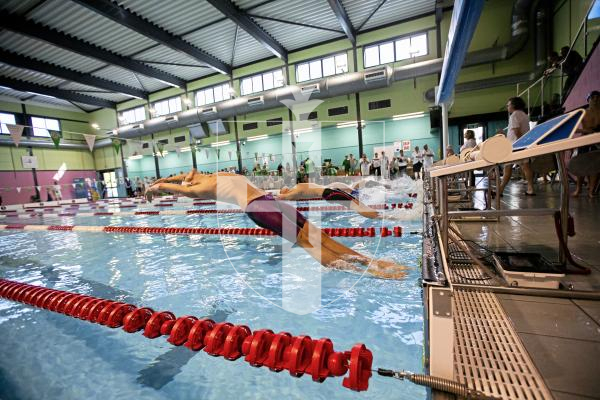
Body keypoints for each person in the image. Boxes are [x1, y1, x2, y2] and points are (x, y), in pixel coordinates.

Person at [146, 170, 406, 279]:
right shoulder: (204, 184)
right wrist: (158, 187)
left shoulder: (206, 177)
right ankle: (372, 270)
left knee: (320, 238)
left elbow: (183, 178)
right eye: (188, 177)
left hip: (268, 202)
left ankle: (374, 263)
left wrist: (166, 180)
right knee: (310, 243)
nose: (190, 175)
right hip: (262, 208)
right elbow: (181, 187)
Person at [498, 96, 535, 196]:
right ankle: (530, 188)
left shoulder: (514, 115)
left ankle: (500, 190)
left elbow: (516, 131)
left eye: (508, 104)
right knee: (526, 166)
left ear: (513, 105)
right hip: (521, 144)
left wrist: (519, 143)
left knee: (507, 168)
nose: (507, 106)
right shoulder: (524, 115)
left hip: (515, 145)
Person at [278, 182, 380, 219]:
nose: (285, 187)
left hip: (331, 191)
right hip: (329, 193)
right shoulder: (295, 191)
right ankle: (381, 217)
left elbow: (281, 197)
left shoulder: (297, 188)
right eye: (284, 189)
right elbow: (283, 197)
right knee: (356, 206)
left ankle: (380, 216)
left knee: (357, 204)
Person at [572, 90, 600, 197]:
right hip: (585, 140)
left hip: (597, 141)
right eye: (594, 98)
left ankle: (591, 191)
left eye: (598, 98)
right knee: (581, 165)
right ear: (588, 100)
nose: (596, 100)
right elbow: (573, 129)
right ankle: (578, 188)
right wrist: (586, 131)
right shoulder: (583, 113)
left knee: (595, 167)